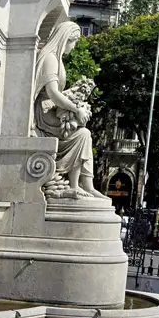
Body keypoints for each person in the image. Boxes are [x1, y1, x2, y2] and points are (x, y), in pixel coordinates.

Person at [33, 21, 105, 199]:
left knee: (84, 134)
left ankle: (84, 185)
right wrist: (75, 109)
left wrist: (75, 94)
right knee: (83, 135)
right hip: (44, 113)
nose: (74, 47)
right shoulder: (50, 58)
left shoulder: (56, 59)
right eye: (74, 42)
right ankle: (79, 185)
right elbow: (52, 93)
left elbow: (57, 93)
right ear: (66, 39)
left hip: (51, 109)